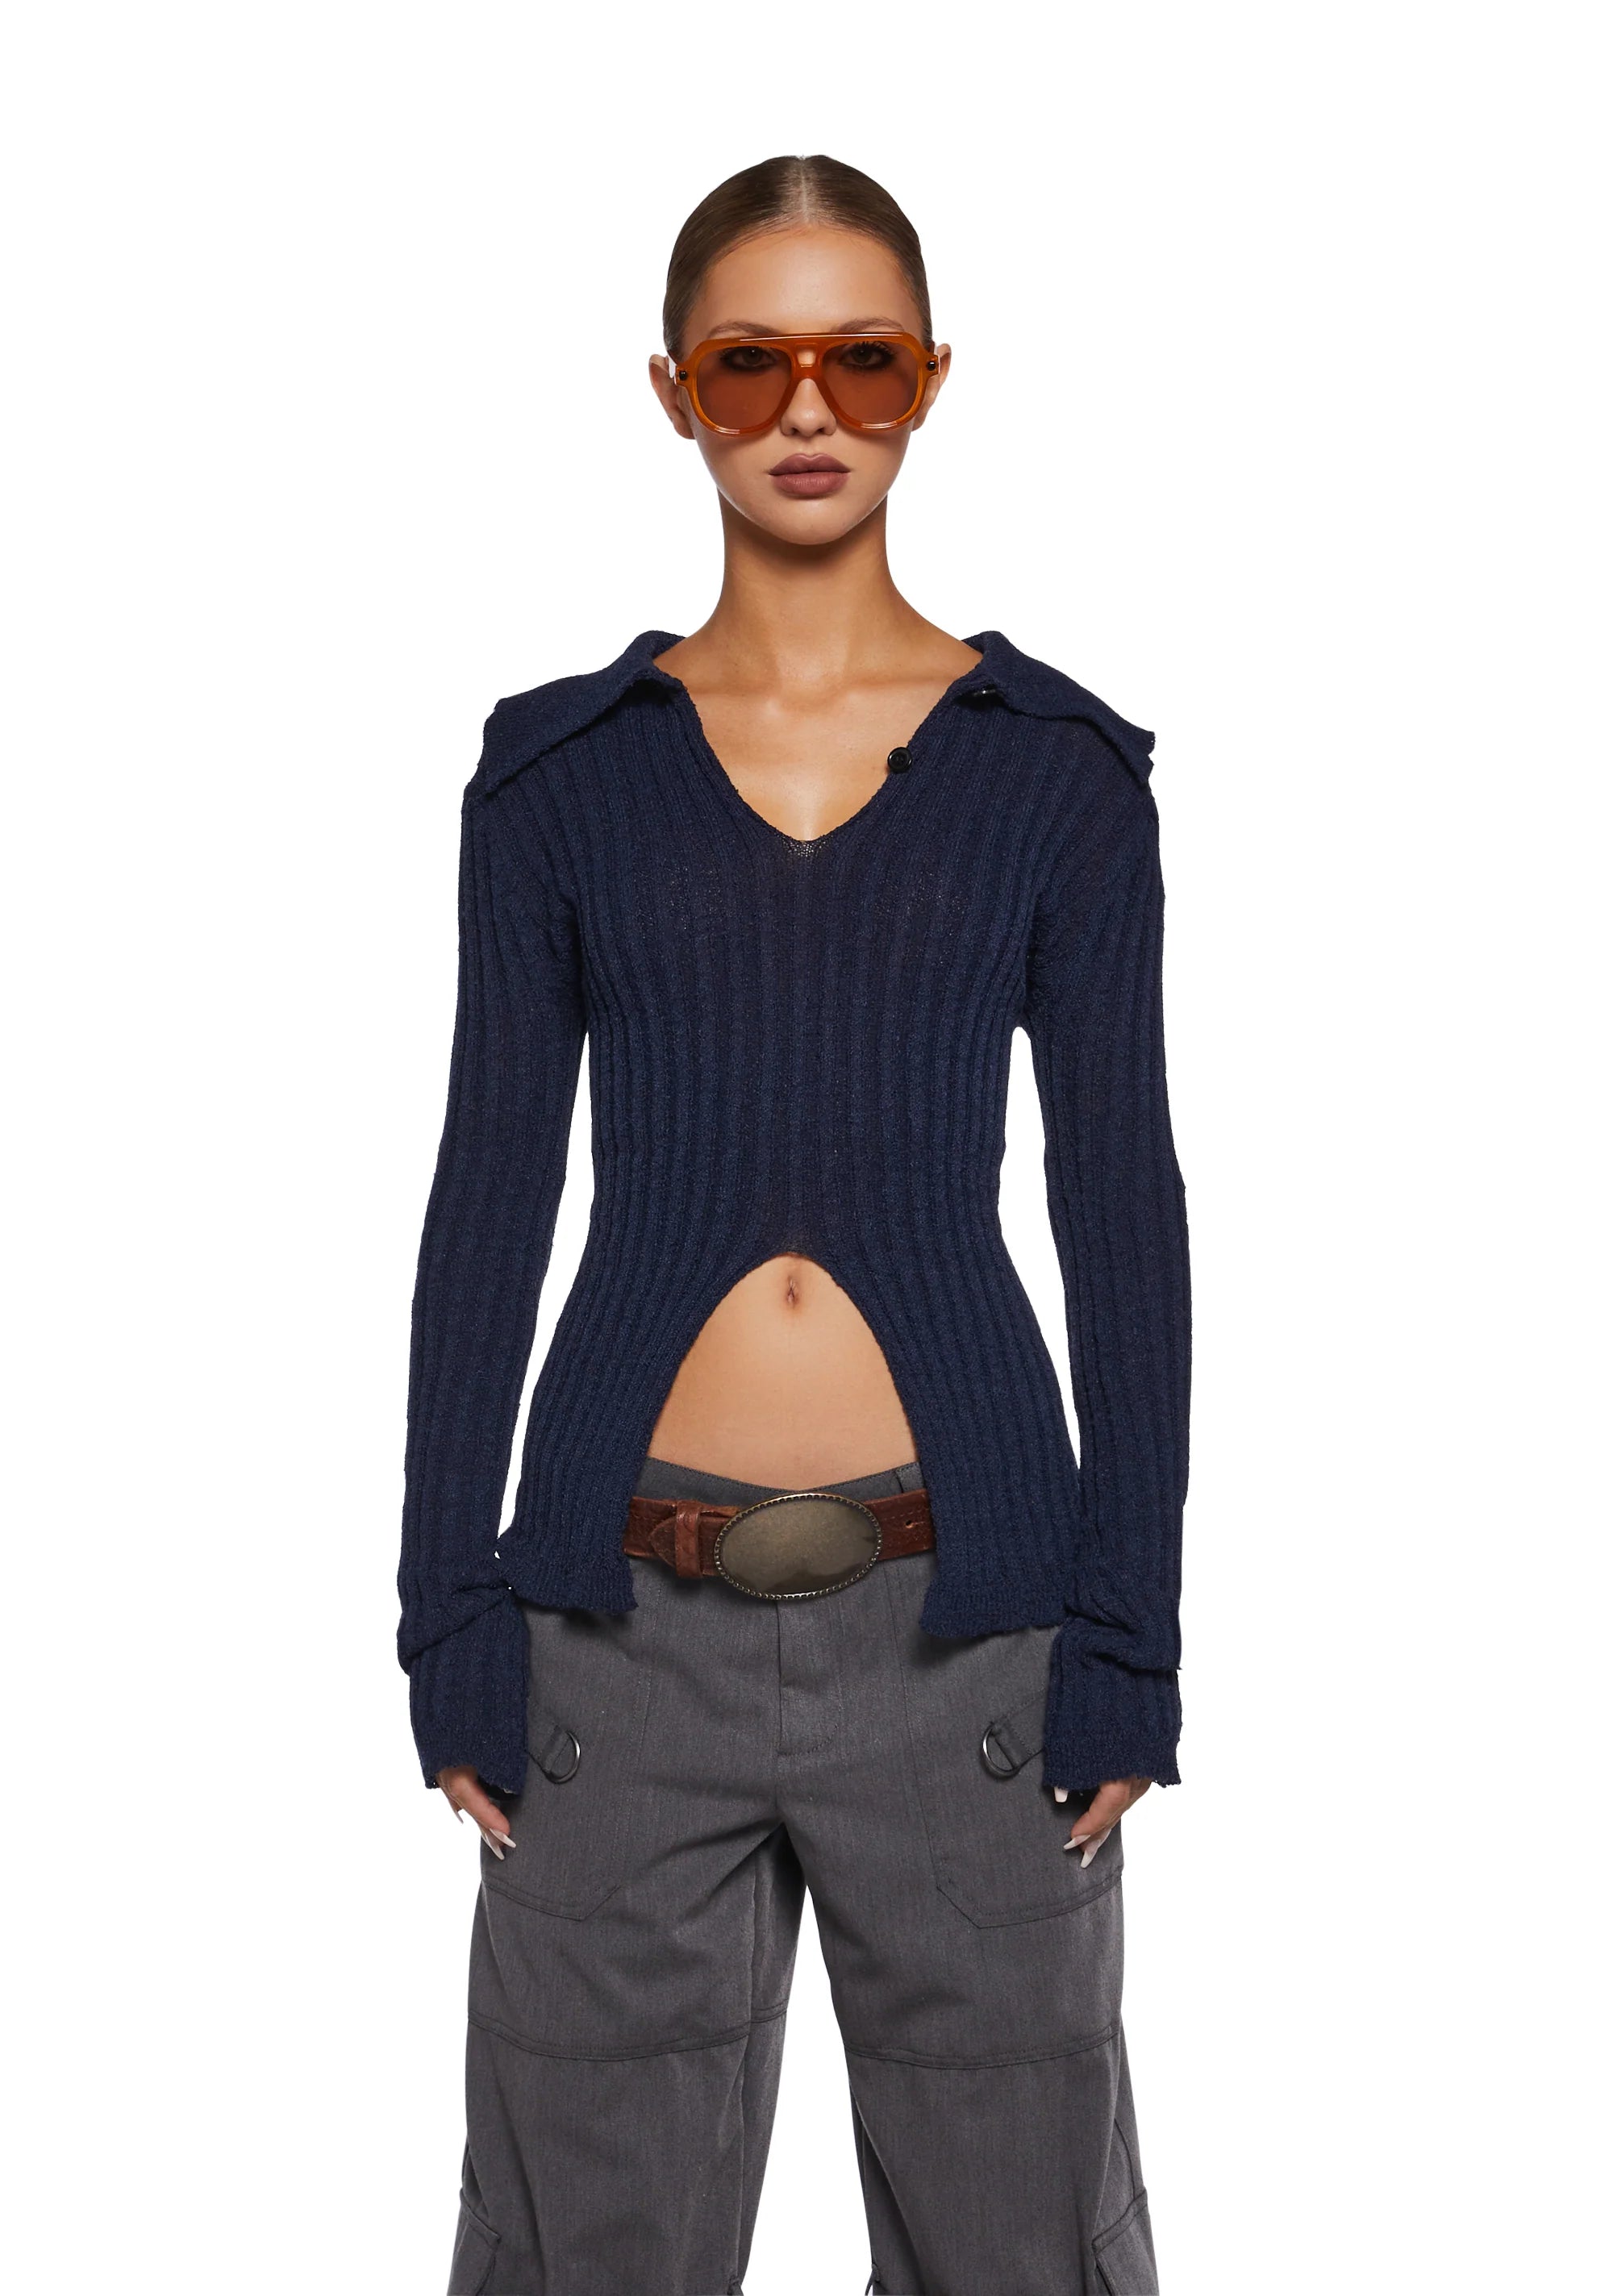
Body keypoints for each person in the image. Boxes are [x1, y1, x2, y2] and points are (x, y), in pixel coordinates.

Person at [398, 153, 1189, 2296]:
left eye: (864, 358)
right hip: (610, 1646)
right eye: (752, 362)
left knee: (1023, 2248)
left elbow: (1122, 1208)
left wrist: (1129, 1634)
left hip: (977, 1640)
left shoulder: (1057, 777)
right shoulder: (557, 780)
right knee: (582, 2250)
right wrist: (446, 1608)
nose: (809, 407)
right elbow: (490, 1196)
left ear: (930, 382)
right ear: (677, 392)